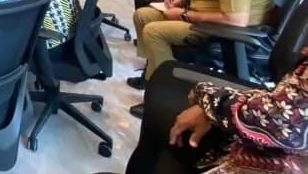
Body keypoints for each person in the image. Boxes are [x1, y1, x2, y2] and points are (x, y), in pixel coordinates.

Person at [127, 0, 273, 118]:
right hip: (207, 16)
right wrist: (181, 0)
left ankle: (165, 96)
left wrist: (185, 14)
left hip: (229, 29)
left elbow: (237, 19)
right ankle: (152, 76)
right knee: (143, 16)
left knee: (154, 32)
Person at [126, 49, 308, 173]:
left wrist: (211, 101)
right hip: (271, 132)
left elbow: (286, 120)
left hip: (283, 158)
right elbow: (287, 100)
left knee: (168, 127)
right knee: (172, 130)